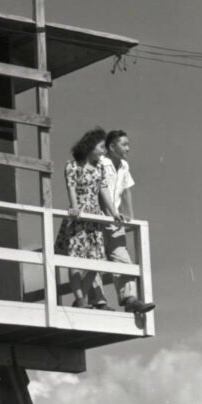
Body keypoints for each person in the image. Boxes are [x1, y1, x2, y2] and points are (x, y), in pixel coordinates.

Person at [54, 127, 122, 308]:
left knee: (96, 260)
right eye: (101, 147)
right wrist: (75, 207)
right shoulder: (72, 165)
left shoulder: (99, 167)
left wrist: (113, 212)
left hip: (95, 217)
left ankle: (80, 298)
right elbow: (71, 187)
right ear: (90, 146)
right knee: (74, 258)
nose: (103, 151)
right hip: (79, 216)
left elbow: (103, 189)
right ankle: (80, 298)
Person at [92, 129, 155, 313]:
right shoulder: (101, 163)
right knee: (94, 257)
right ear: (112, 147)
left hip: (115, 218)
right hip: (97, 216)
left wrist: (130, 216)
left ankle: (130, 299)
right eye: (124, 144)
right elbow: (99, 189)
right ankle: (98, 301)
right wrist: (110, 212)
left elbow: (126, 191)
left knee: (122, 258)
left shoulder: (124, 166)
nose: (128, 148)